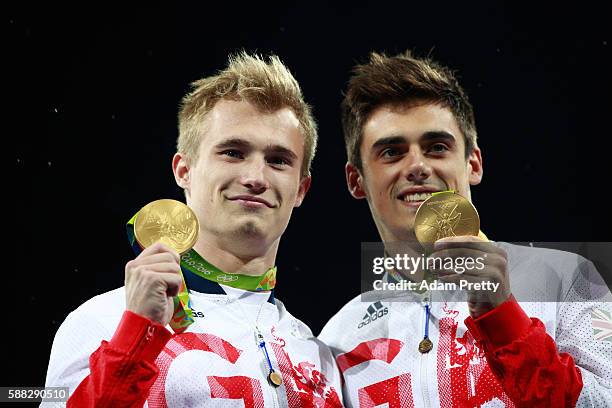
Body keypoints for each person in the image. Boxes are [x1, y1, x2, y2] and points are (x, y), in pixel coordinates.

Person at [43, 52, 342, 407]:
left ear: (301, 190)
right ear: (183, 170)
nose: (255, 178)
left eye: (278, 160)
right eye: (233, 152)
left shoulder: (316, 355)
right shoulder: (103, 320)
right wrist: (137, 333)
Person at [319, 51, 612, 407]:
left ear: (473, 163)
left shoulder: (566, 277)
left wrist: (502, 315)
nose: (417, 166)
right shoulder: (339, 336)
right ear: (356, 180)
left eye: (437, 147)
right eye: (392, 152)